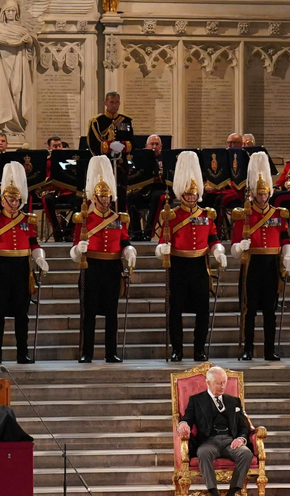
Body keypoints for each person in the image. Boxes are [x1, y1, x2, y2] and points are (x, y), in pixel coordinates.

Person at [153, 152, 225, 364]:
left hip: (199, 266)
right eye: (188, 193)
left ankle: (199, 349)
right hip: (178, 265)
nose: (191, 197)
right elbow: (160, 243)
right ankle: (177, 349)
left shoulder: (206, 215)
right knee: (175, 309)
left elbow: (212, 238)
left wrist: (218, 251)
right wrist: (162, 251)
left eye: (194, 194)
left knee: (202, 310)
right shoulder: (171, 215)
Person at [0, 162, 48, 366]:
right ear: (3, 200)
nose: (14, 203)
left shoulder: (28, 220)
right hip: (0, 266)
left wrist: (40, 257)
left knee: (21, 313)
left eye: (17, 200)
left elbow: (33, 243)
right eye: (11, 199)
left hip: (21, 267)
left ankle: (22, 353)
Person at [73, 155, 138, 364]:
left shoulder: (119, 218)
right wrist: (78, 250)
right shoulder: (84, 218)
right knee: (89, 313)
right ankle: (87, 352)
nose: (107, 201)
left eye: (109, 197)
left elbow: (125, 240)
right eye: (103, 197)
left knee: (112, 314)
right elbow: (74, 246)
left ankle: (111, 352)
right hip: (91, 266)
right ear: (95, 197)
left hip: (112, 267)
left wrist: (129, 251)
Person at [231, 153, 290, 363]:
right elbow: (233, 245)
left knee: (270, 310)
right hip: (252, 264)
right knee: (249, 309)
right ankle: (248, 348)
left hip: (271, 265)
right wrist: (240, 246)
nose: (263, 197)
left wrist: (287, 256)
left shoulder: (278, 214)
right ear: (253, 194)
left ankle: (269, 350)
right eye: (260, 194)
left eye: (266, 194)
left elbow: (285, 239)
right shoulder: (244, 215)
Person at [179, 366, 255, 496]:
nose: (222, 386)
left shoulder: (234, 401)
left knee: (246, 453)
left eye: (224, 382)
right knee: (203, 453)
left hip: (230, 441)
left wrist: (241, 439)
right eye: (219, 383)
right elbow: (187, 418)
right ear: (208, 383)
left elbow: (243, 426)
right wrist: (183, 424)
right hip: (209, 442)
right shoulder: (196, 400)